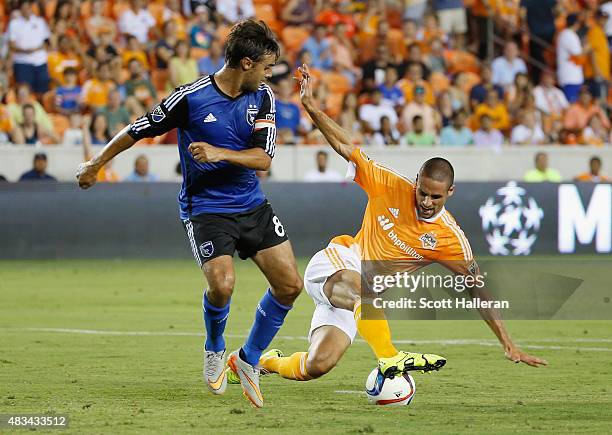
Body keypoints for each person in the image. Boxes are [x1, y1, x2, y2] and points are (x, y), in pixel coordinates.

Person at [245, 64, 546, 385]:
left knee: (316, 366)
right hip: (336, 265)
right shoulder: (389, 184)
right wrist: (311, 107)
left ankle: (260, 362)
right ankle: (389, 355)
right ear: (416, 182)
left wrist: (507, 343)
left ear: (450, 193)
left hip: (360, 300)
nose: (427, 201)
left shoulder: (450, 238)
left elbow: (478, 289)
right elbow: (349, 148)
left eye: (436, 197)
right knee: (364, 291)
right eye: (423, 192)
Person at [76, 20, 302, 409]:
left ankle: (247, 359)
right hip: (207, 210)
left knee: (290, 286)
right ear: (246, 63)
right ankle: (215, 347)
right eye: (266, 67)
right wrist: (96, 163)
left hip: (252, 205)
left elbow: (263, 158)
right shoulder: (191, 97)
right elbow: (137, 129)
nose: (270, 76)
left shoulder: (263, 96)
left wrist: (219, 153)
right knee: (223, 285)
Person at [7, 0, 51, 97]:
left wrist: (39, 48)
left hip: (40, 61)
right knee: (25, 90)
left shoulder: (40, 21)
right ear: (20, 9)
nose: (26, 10)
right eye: (24, 8)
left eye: (28, 7)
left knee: (42, 90)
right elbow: (11, 44)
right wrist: (26, 51)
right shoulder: (14, 24)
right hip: (22, 61)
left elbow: (47, 40)